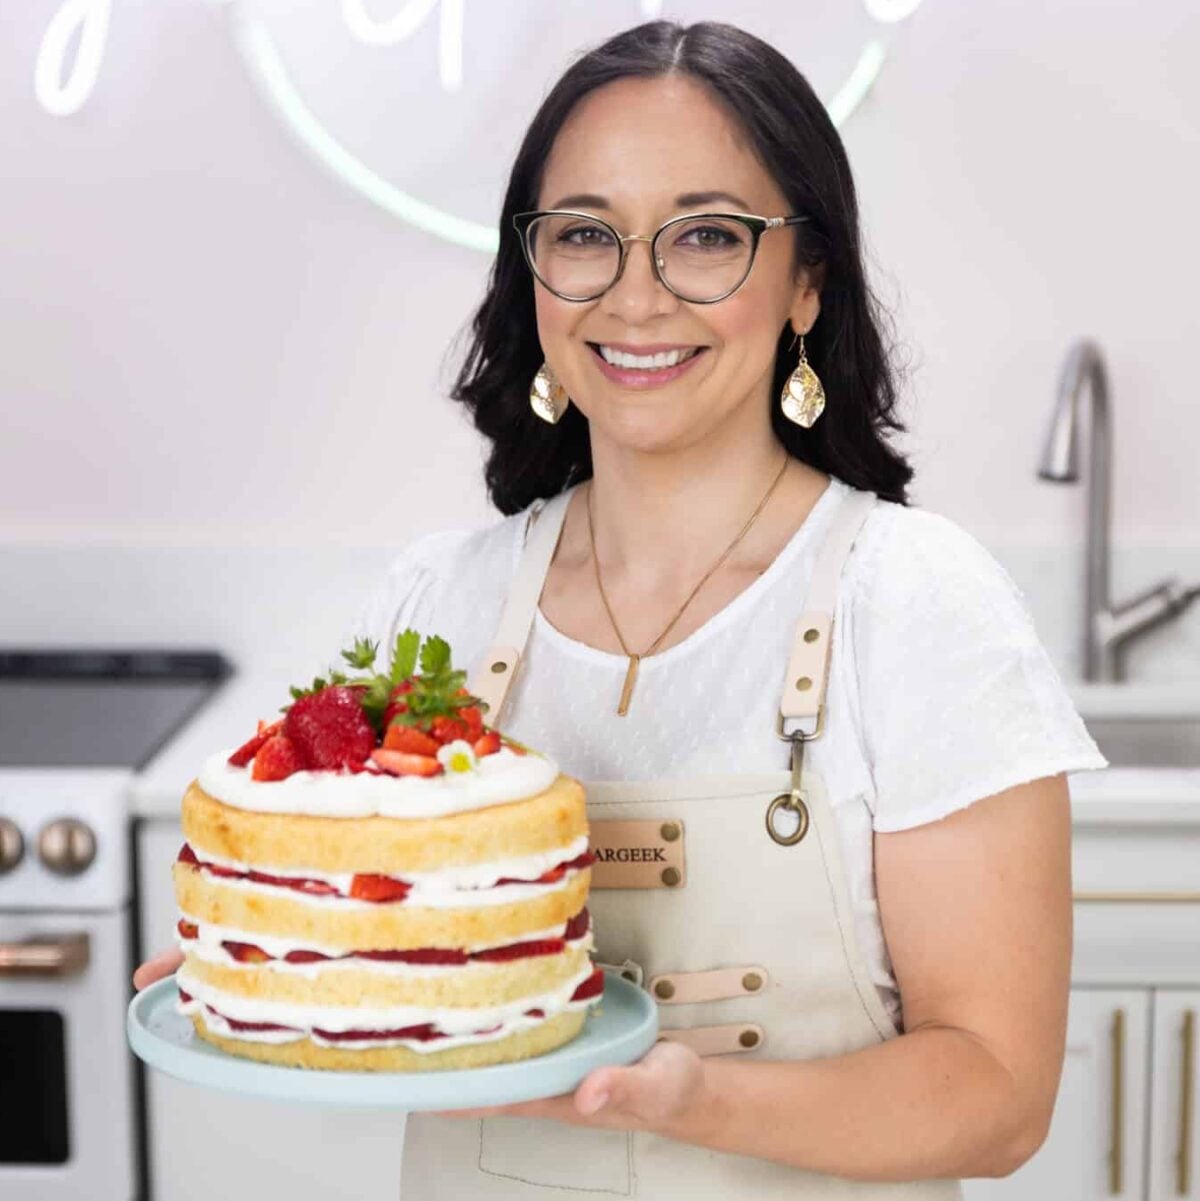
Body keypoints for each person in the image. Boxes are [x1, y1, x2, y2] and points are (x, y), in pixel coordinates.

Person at [135, 19, 1108, 1197]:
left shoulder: (916, 605)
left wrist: (698, 1099)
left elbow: (998, 1096)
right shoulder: (444, 600)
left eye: (706, 236)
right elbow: (382, 945)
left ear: (809, 278)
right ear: (531, 273)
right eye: (587, 236)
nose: (636, 296)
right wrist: (282, 970)